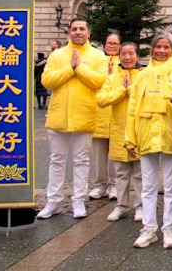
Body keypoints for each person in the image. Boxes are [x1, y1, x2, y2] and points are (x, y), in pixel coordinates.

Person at [126, 32, 172, 249]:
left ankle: (169, 229)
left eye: (166, 47)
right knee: (148, 186)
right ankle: (148, 229)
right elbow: (132, 109)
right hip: (147, 133)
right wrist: (130, 139)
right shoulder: (141, 77)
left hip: (171, 134)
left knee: (171, 186)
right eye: (158, 47)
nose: (162, 51)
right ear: (152, 49)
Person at [37, 18, 108, 221]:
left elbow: (99, 81)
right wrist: (69, 68)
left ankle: (79, 199)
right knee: (56, 160)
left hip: (84, 114)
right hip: (59, 115)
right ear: (69, 32)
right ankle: (53, 201)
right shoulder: (58, 55)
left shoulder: (98, 55)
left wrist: (80, 68)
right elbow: (47, 81)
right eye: (74, 29)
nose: (78, 32)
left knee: (81, 160)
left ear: (88, 33)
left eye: (82, 29)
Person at [95, 42, 144, 223]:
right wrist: (122, 90)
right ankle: (122, 205)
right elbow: (101, 100)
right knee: (121, 173)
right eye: (124, 54)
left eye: (131, 53)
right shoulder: (112, 78)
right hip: (118, 131)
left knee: (140, 173)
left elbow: (145, 97)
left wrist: (129, 89)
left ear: (137, 55)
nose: (127, 57)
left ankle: (140, 206)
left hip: (139, 130)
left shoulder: (144, 75)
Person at [89, 31, 120, 201]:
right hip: (99, 113)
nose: (112, 46)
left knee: (115, 154)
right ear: (104, 45)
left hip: (116, 114)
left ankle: (114, 184)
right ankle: (100, 184)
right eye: (110, 43)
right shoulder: (98, 61)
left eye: (115, 43)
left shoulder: (124, 62)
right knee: (99, 155)